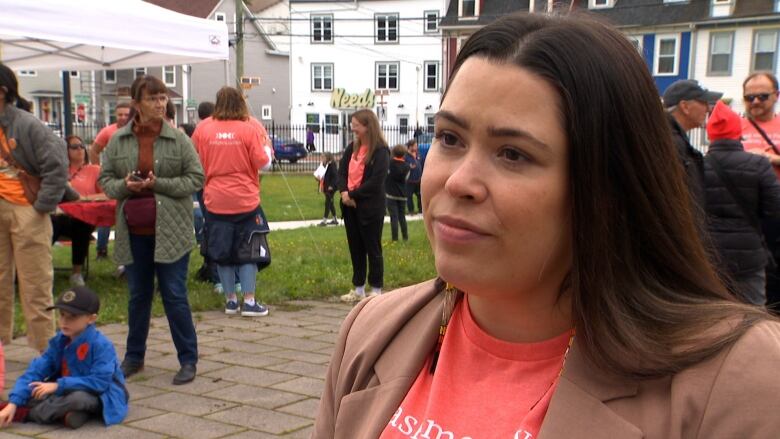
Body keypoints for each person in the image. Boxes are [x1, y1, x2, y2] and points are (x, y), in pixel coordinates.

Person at [313, 13, 780, 439]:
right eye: (450, 138)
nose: (458, 182)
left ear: (606, 185)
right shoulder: (371, 332)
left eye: (513, 153)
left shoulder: (737, 379)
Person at [98, 75, 203, 385]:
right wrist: (125, 186)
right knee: (138, 296)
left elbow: (196, 179)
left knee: (174, 295)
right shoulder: (119, 140)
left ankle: (188, 359)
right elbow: (105, 182)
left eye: (163, 98)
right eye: (153, 98)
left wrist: (159, 184)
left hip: (172, 230)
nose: (160, 104)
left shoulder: (178, 139)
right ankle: (134, 357)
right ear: (136, 104)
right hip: (135, 232)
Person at [0, 63, 70, 353]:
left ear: (2, 92)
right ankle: (1, 351)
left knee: (36, 287)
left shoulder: (28, 124)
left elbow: (57, 165)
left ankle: (46, 354)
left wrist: (41, 206)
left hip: (27, 210)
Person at [192, 86, 271, 317]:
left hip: (215, 198)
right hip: (245, 199)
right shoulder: (249, 129)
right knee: (248, 251)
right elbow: (263, 163)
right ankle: (249, 301)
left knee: (222, 251)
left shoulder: (203, 128)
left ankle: (230, 301)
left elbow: (195, 160)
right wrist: (266, 148)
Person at [0, 286, 127, 430]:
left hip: (100, 395)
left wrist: (57, 386)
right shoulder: (59, 341)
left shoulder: (102, 345)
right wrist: (13, 403)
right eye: (62, 314)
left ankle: (27, 414)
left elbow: (100, 382)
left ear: (91, 318)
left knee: (78, 399)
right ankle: (67, 415)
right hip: (65, 389)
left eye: (72, 316)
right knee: (34, 389)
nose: (64, 321)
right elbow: (36, 370)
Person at [704, 101, 780, 305]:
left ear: (710, 134)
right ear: (738, 131)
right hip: (750, 255)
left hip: (709, 256)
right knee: (753, 315)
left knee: (714, 313)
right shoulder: (759, 164)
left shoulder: (698, 165)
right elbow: (774, 210)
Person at [337, 109, 389, 303]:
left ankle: (376, 289)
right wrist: (344, 192)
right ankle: (358, 288)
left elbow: (376, 182)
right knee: (355, 248)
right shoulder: (352, 148)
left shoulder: (381, 151)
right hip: (350, 207)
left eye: (356, 125)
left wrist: (353, 194)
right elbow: (341, 172)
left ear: (367, 127)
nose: (353, 129)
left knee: (372, 247)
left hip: (370, 208)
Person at [741, 72, 780, 310]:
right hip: (746, 210)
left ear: (776, 96)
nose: (755, 102)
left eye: (762, 96)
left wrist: (770, 159)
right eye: (749, 97)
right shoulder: (735, 127)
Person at [663, 79, 722, 213]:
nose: (708, 109)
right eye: (703, 102)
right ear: (685, 106)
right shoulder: (671, 144)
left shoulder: (672, 138)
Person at [52, 136, 104, 287]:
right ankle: (36, 268)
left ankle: (76, 273)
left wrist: (84, 199)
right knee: (53, 221)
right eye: (74, 147)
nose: (80, 149)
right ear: (65, 151)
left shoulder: (95, 170)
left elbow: (108, 194)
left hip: (84, 215)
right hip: (59, 216)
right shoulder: (59, 170)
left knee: (81, 223)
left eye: (81, 146)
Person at [91, 102, 131, 260]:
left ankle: (125, 253)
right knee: (106, 214)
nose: (122, 117)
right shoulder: (108, 131)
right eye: (119, 114)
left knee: (126, 215)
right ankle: (101, 249)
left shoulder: (136, 130)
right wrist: (98, 169)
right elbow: (94, 150)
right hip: (113, 179)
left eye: (126, 114)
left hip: (131, 179)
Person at [386, 144, 410, 241]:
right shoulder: (407, 166)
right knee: (402, 216)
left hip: (391, 193)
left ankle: (395, 238)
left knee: (394, 217)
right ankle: (405, 237)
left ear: (393, 153)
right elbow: (406, 179)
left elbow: (386, 175)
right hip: (402, 194)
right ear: (404, 154)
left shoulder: (389, 163)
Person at [317, 152, 339, 226]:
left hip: (331, 187)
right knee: (330, 202)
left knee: (328, 202)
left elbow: (335, 177)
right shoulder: (327, 166)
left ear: (327, 158)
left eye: (323, 158)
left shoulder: (332, 165)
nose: (322, 159)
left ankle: (324, 220)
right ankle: (335, 219)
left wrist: (331, 186)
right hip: (327, 187)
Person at [404, 139, 422, 215]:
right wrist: (409, 166)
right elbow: (403, 165)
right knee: (409, 196)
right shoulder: (405, 156)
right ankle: (411, 211)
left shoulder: (418, 154)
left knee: (420, 195)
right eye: (415, 146)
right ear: (410, 147)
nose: (416, 147)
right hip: (410, 180)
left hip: (418, 179)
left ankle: (421, 210)